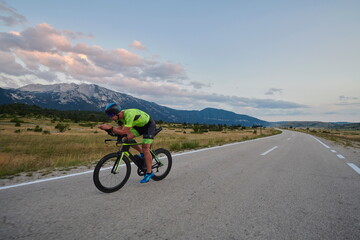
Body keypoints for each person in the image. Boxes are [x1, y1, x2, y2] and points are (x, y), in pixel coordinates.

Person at [98, 103, 156, 183]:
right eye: (108, 115)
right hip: (139, 127)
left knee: (145, 148)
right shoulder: (118, 119)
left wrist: (110, 128)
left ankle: (150, 172)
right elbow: (119, 130)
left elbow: (124, 131)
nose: (110, 117)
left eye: (111, 114)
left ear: (117, 113)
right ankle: (141, 152)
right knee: (126, 139)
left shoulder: (129, 114)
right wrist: (108, 130)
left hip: (148, 125)